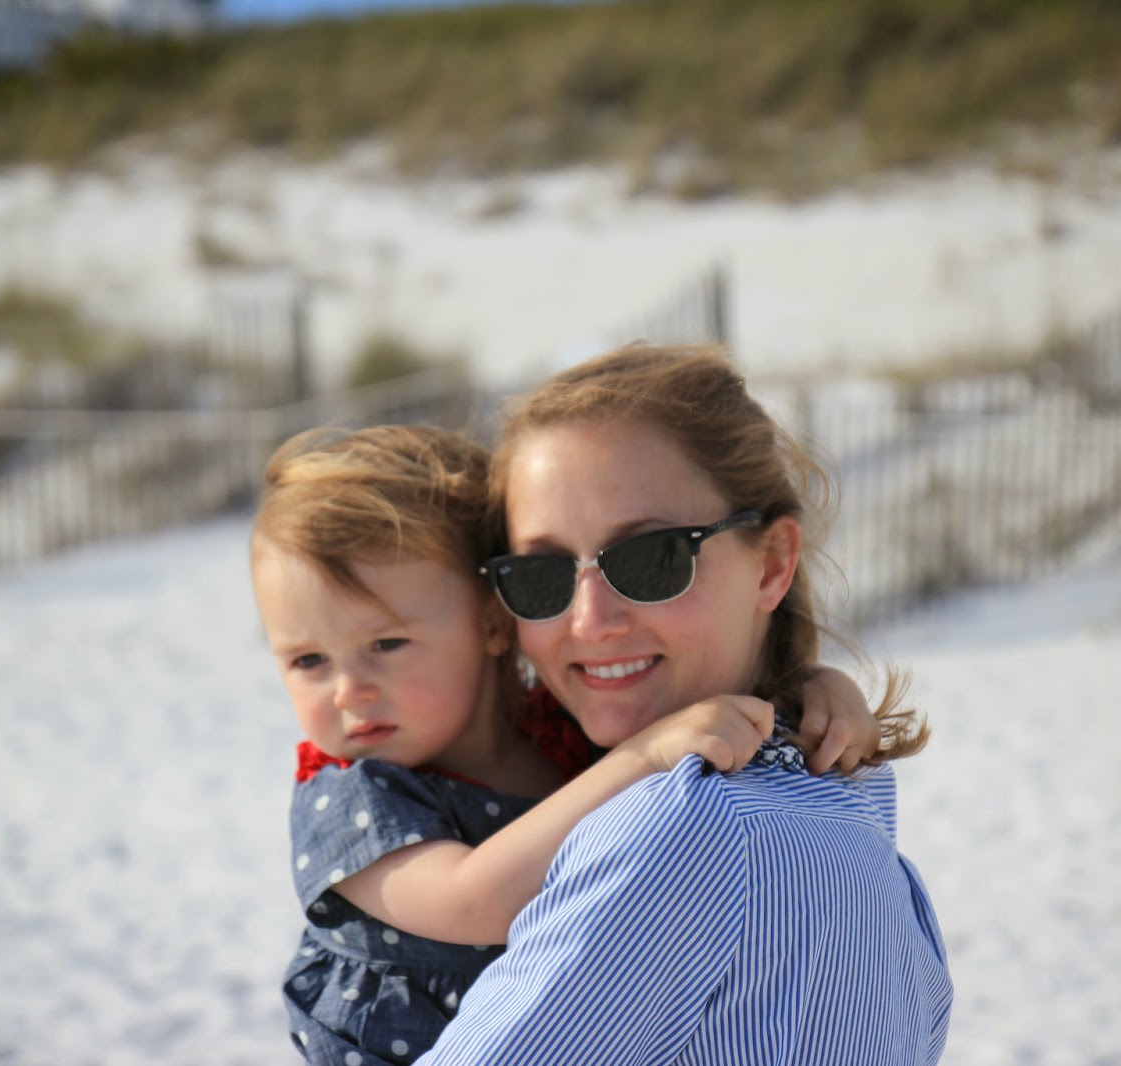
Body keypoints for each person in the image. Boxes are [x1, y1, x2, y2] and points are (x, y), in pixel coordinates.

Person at [249, 424, 885, 1066]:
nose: (348, 691)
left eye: (386, 644)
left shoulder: (555, 726)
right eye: (307, 660)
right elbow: (473, 901)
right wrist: (645, 756)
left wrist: (817, 689)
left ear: (494, 622)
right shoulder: (350, 795)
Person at [418, 344, 952, 1064]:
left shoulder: (684, 830)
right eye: (540, 575)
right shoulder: (848, 791)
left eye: (651, 559)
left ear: (771, 563)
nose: (590, 621)